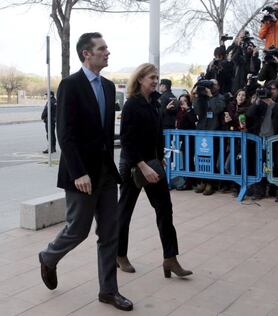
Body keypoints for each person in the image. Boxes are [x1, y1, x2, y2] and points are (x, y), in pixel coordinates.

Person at [38, 33, 133, 311]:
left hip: (105, 174)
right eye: (102, 49)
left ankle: (108, 291)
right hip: (81, 175)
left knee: (109, 233)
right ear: (86, 54)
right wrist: (79, 172)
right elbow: (64, 133)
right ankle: (48, 256)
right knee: (77, 230)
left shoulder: (107, 86)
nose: (107, 52)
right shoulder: (70, 85)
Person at [116, 63, 192, 279]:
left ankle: (170, 259)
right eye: (151, 77)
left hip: (153, 163)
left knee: (165, 209)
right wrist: (142, 165)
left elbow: (158, 134)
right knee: (125, 211)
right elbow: (127, 141)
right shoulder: (131, 105)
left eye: (157, 77)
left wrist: (160, 159)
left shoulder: (155, 103)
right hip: (132, 164)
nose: (155, 80)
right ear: (140, 79)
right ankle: (119, 255)